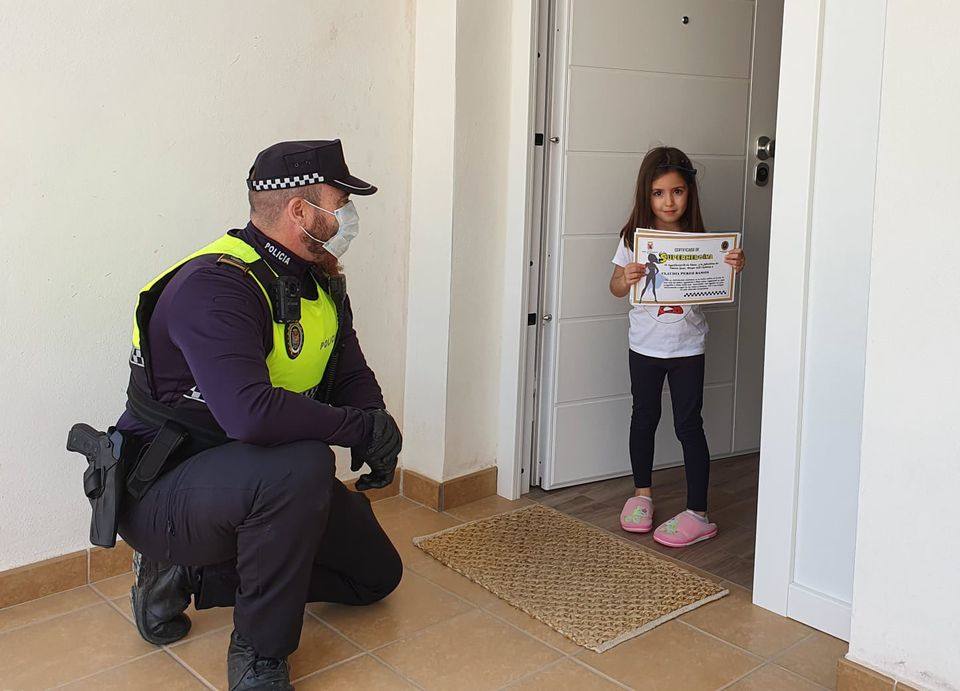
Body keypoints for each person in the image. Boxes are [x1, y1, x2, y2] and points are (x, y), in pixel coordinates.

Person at [115, 140, 403, 690]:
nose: (347, 216)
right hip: (167, 487)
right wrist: (352, 429)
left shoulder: (318, 278)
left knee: (375, 576)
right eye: (340, 202)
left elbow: (348, 370)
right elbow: (250, 414)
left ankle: (200, 573)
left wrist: (376, 426)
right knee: (303, 465)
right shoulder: (215, 286)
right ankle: (257, 654)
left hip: (252, 477)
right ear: (300, 210)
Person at [608, 146, 745, 548]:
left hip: (687, 348)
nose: (669, 201)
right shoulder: (634, 238)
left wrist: (733, 265)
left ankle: (698, 512)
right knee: (643, 417)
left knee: (689, 425)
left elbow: (719, 282)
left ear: (690, 193)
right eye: (659, 193)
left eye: (678, 192)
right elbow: (615, 287)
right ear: (645, 195)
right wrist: (627, 277)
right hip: (645, 346)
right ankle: (642, 494)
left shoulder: (704, 243)